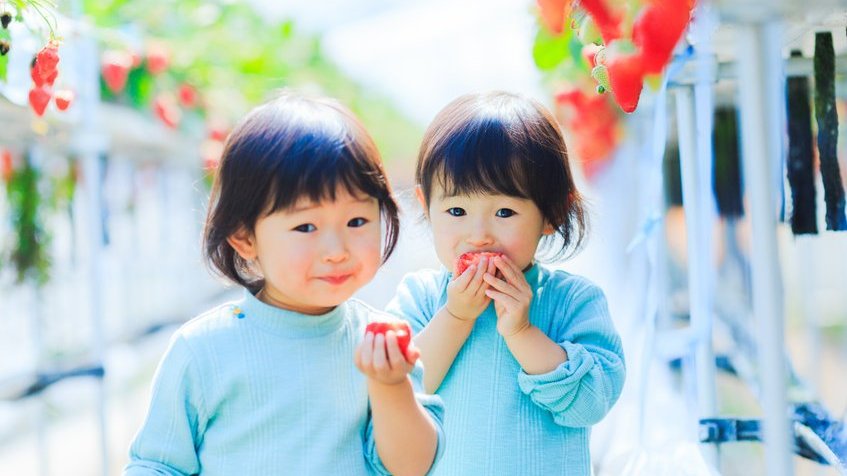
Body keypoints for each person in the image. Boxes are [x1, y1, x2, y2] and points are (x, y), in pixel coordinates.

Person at [125, 91, 443, 475]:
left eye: (357, 221)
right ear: (244, 237)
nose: (336, 250)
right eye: (305, 226)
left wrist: (391, 386)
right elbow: (157, 465)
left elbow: (412, 467)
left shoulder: (382, 345)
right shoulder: (204, 349)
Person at [386, 91, 625, 475]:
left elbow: (591, 403)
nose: (478, 234)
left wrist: (522, 332)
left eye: (504, 211)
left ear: (552, 213)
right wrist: (456, 317)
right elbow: (399, 392)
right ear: (426, 205)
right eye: (457, 210)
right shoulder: (420, 298)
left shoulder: (573, 302)